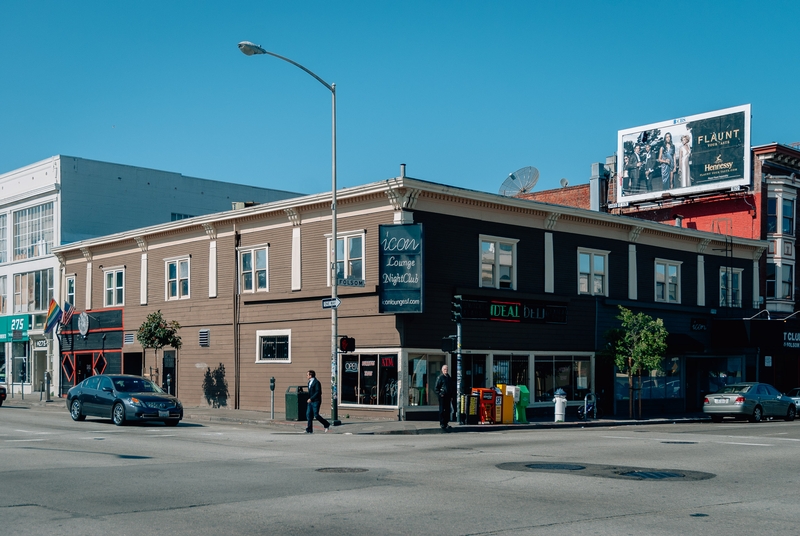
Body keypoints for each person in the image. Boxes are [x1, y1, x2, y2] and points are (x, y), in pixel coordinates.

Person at [434, 365, 455, 430]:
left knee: (447, 410)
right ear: (442, 370)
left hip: (448, 396)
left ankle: (446, 423)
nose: (446, 370)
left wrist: (451, 396)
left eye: (447, 369)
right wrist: (440, 394)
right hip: (442, 396)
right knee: (442, 410)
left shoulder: (449, 377)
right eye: (445, 369)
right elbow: (436, 388)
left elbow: (451, 388)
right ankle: (442, 423)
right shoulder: (440, 377)